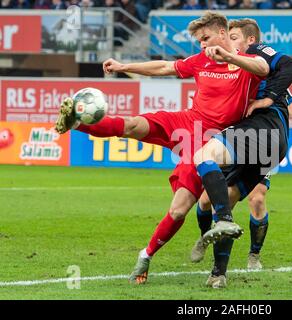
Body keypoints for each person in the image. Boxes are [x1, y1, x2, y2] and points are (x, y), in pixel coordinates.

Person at [55, 11, 276, 286]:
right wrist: (125, 67)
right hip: (186, 122)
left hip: (213, 142)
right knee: (134, 125)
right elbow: (164, 68)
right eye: (199, 42)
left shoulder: (246, 62)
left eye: (206, 39)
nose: (203, 46)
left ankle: (146, 255)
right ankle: (77, 124)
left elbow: (264, 70)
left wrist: (230, 57)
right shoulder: (201, 60)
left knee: (179, 210)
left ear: (222, 33)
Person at [190, 18, 292, 273]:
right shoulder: (236, 67)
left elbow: (288, 84)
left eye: (233, 38)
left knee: (257, 197)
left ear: (250, 40)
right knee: (210, 199)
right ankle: (213, 255)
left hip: (262, 133)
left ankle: (253, 255)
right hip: (245, 136)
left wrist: (273, 102)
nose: (228, 43)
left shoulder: (257, 57)